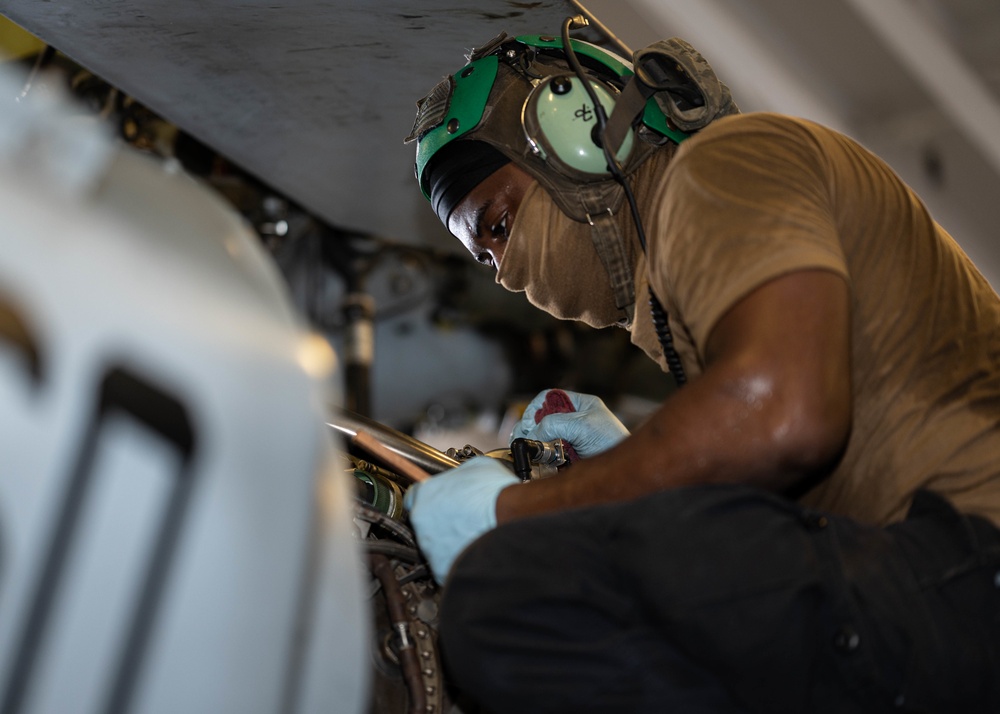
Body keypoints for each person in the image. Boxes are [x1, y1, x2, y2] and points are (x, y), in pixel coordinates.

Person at [402, 23, 1000, 713]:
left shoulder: (724, 167)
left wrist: (513, 513)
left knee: (511, 596)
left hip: (966, 569)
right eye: (485, 261)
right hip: (928, 595)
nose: (504, 275)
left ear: (585, 139)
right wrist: (647, 477)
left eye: (499, 226)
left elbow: (785, 416)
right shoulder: (689, 286)